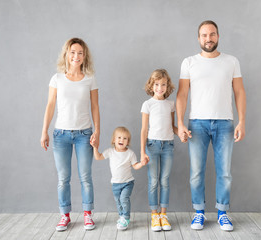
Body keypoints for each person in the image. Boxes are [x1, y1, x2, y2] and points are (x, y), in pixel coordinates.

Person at [176, 20, 246, 231]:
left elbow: (240, 92)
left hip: (225, 123)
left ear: (218, 36)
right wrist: (179, 123)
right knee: (196, 172)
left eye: (212, 34)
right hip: (196, 124)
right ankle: (199, 213)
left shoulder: (231, 61)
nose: (209, 38)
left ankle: (222, 213)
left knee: (224, 172)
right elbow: (182, 94)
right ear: (199, 38)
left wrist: (241, 121)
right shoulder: (189, 62)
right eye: (204, 35)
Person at [40, 38, 100, 231]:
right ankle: (65, 216)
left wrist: (97, 130)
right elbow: (50, 106)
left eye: (80, 53)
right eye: (72, 52)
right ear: (66, 54)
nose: (76, 56)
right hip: (61, 134)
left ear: (84, 56)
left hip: (84, 134)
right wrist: (44, 131)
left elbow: (95, 106)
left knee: (85, 176)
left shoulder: (90, 78)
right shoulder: (56, 79)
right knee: (63, 178)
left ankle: (88, 214)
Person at [140, 69, 177, 231]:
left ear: (167, 86)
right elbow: (143, 130)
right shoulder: (147, 104)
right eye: (157, 84)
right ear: (152, 85)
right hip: (152, 146)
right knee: (153, 181)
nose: (160, 88)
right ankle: (154, 215)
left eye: (163, 84)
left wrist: (182, 133)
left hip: (168, 145)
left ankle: (163, 215)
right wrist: (142, 152)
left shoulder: (170, 104)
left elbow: (172, 126)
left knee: (165, 181)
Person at [91, 127, 146, 230]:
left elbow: (135, 166)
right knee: (118, 201)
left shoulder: (130, 153)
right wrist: (95, 147)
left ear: (128, 142)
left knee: (123, 199)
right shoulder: (110, 152)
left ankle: (126, 218)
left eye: (125, 138)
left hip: (127, 182)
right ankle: (121, 216)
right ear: (114, 140)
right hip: (115, 183)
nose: (122, 140)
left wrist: (142, 163)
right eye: (119, 137)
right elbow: (98, 157)